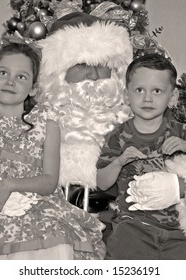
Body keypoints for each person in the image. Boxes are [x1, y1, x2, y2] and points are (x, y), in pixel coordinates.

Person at [0, 41, 105, 260]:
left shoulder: (48, 122)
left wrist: (9, 185)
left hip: (41, 213)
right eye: (3, 72)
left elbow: (49, 181)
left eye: (21, 77)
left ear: (34, 88)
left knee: (49, 243)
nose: (10, 81)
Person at [96, 53, 186, 259]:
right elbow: (102, 183)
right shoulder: (118, 136)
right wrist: (119, 162)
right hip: (131, 230)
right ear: (127, 95)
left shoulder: (179, 131)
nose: (147, 98)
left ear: (172, 97)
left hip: (177, 235)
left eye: (157, 91)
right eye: (139, 90)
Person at [37, 12, 133, 210]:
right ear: (59, 76)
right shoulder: (36, 124)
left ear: (117, 72)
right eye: (82, 65)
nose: (93, 75)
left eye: (101, 65)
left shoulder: (136, 121)